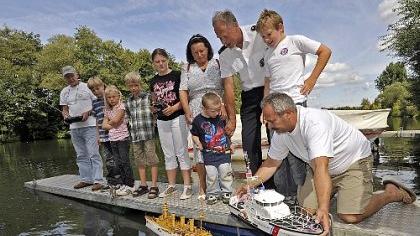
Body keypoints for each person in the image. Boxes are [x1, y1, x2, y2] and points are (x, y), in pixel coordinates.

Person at [237, 93, 417, 235]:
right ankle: (335, 193)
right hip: (320, 168)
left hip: (353, 161)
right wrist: (250, 184)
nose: (268, 126)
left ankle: (391, 193)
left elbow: (322, 168)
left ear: (289, 114)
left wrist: (323, 209)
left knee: (349, 216)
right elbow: (271, 163)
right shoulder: (280, 134)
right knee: (305, 213)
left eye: (271, 121)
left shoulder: (314, 123)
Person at [256, 9, 332, 199]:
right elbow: (267, 82)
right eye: (263, 36)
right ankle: (285, 197)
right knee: (278, 156)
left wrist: (312, 79)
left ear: (280, 28)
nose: (266, 39)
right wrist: (264, 110)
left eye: (269, 34)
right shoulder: (267, 54)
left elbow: (325, 51)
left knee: (298, 156)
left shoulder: (295, 41)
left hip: (295, 105)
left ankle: (303, 195)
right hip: (274, 108)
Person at [212, 10, 267, 175]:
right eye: (219, 38)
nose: (222, 40)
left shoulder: (259, 34)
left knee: (277, 138)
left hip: (269, 91)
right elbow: (229, 86)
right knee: (249, 143)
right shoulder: (224, 55)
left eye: (224, 35)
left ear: (234, 25)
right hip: (249, 96)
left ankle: (285, 189)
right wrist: (231, 119)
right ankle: (258, 186)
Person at [179, 34, 226, 199]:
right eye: (195, 52)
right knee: (200, 150)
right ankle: (202, 187)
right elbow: (183, 91)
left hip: (216, 109)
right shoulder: (186, 67)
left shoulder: (217, 63)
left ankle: (222, 186)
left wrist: (225, 107)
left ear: (207, 49)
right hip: (196, 109)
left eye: (202, 51)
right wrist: (186, 111)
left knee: (219, 145)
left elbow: (227, 87)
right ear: (190, 53)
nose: (199, 55)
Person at [149, 48, 192, 200]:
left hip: (177, 116)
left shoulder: (177, 75)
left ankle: (187, 186)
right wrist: (154, 108)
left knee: (181, 151)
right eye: (157, 62)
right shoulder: (152, 81)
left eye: (163, 60)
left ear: (167, 60)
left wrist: (174, 107)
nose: (161, 64)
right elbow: (154, 100)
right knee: (168, 154)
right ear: (153, 63)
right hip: (162, 120)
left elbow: (186, 97)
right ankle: (171, 185)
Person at [59, 65, 104, 191]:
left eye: (72, 75)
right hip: (74, 128)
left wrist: (88, 112)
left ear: (77, 75)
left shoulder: (87, 87)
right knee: (81, 154)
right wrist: (65, 116)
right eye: (67, 77)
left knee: (93, 153)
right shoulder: (64, 91)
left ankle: (98, 180)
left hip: (90, 125)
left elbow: (98, 102)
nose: (70, 78)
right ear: (65, 78)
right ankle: (86, 179)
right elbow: (64, 109)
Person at [190, 92, 233, 205]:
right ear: (204, 108)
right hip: (209, 155)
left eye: (218, 110)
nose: (217, 113)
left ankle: (227, 192)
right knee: (211, 175)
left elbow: (226, 134)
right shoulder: (198, 121)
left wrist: (231, 144)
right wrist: (198, 142)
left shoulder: (221, 118)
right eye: (213, 111)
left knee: (225, 172)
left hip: (224, 153)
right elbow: (194, 134)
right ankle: (213, 193)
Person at [124, 72, 160, 199]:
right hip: (135, 135)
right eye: (131, 86)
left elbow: (156, 112)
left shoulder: (148, 97)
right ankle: (144, 185)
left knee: (152, 159)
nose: (134, 88)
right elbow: (127, 117)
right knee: (139, 160)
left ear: (140, 84)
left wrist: (155, 114)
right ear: (128, 86)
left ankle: (154, 186)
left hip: (148, 134)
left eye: (136, 85)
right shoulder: (127, 101)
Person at [87, 76, 122, 187]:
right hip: (103, 136)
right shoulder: (95, 103)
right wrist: (97, 136)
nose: (96, 91)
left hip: (116, 134)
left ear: (103, 86)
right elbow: (97, 121)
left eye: (98, 88)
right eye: (93, 90)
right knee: (108, 159)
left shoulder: (111, 99)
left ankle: (122, 179)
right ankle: (113, 180)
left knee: (119, 157)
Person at [102, 85, 135, 196]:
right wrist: (111, 123)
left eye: (113, 97)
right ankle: (122, 183)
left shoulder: (121, 107)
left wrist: (109, 123)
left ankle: (130, 185)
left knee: (125, 162)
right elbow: (103, 126)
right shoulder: (107, 110)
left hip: (123, 139)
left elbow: (116, 120)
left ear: (118, 96)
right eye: (109, 97)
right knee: (118, 162)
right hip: (112, 139)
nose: (111, 99)